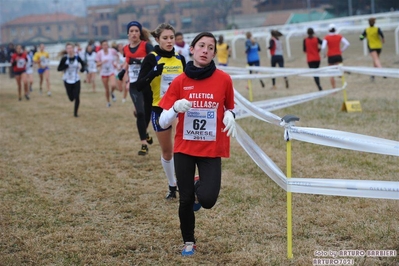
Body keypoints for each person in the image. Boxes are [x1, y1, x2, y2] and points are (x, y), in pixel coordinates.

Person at [158, 32, 236, 256]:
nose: (206, 50)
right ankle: (188, 242)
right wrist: (175, 109)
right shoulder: (180, 81)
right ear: (191, 50)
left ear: (214, 53)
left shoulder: (224, 79)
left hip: (211, 149)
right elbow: (163, 121)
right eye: (201, 46)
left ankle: (196, 185)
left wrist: (231, 115)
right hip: (184, 148)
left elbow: (230, 107)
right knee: (185, 200)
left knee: (209, 200)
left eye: (211, 48)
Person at [132, 23, 186, 199]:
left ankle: (185, 183)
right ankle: (172, 185)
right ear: (157, 39)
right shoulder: (151, 58)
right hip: (159, 109)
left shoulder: (180, 58)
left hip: (179, 109)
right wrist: (153, 72)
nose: (169, 41)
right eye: (165, 38)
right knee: (168, 151)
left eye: (171, 38)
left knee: (182, 149)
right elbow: (139, 85)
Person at [117, 21, 154, 155]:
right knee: (140, 113)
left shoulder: (146, 46)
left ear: (140, 33)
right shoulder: (126, 49)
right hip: (134, 85)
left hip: (148, 84)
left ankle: (145, 131)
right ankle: (144, 144)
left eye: (136, 31)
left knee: (148, 112)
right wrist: (122, 71)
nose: (134, 33)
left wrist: (137, 61)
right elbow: (127, 60)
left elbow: (153, 59)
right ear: (128, 33)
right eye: (131, 31)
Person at [57, 43, 86, 117]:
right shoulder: (64, 58)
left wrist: (82, 69)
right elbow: (59, 68)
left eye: (71, 48)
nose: (69, 50)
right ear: (66, 50)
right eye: (68, 48)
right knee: (71, 98)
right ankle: (71, 97)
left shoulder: (77, 57)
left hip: (76, 79)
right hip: (67, 80)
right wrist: (65, 66)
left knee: (77, 96)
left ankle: (75, 113)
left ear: (73, 49)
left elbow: (83, 65)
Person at [321, 24, 350, 89]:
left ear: (328, 30)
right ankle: (343, 84)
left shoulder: (326, 37)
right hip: (338, 55)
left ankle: (334, 88)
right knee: (340, 70)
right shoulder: (339, 36)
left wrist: (324, 54)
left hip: (331, 56)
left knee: (331, 74)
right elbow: (347, 44)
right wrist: (341, 50)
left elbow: (323, 47)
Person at [96, 40, 118, 107]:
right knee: (106, 89)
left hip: (111, 71)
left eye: (106, 44)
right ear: (101, 46)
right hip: (104, 72)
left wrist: (115, 63)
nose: (105, 46)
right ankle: (108, 102)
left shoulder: (112, 51)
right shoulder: (99, 53)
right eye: (104, 45)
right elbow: (97, 64)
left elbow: (118, 56)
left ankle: (112, 92)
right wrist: (102, 62)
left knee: (113, 85)